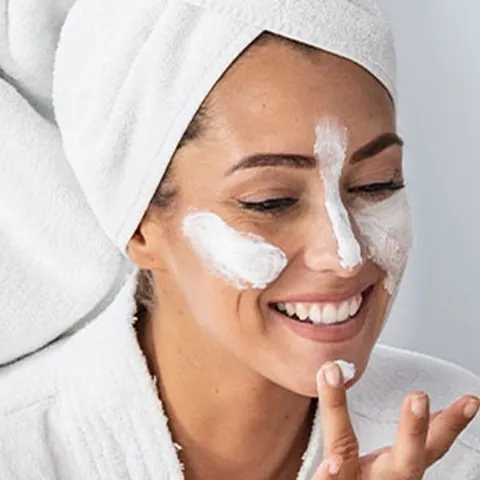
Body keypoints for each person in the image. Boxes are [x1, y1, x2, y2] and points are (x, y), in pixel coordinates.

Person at [1, 0, 479, 479]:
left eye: (377, 184)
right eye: (269, 202)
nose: (344, 255)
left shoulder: (460, 447)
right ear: (140, 227)